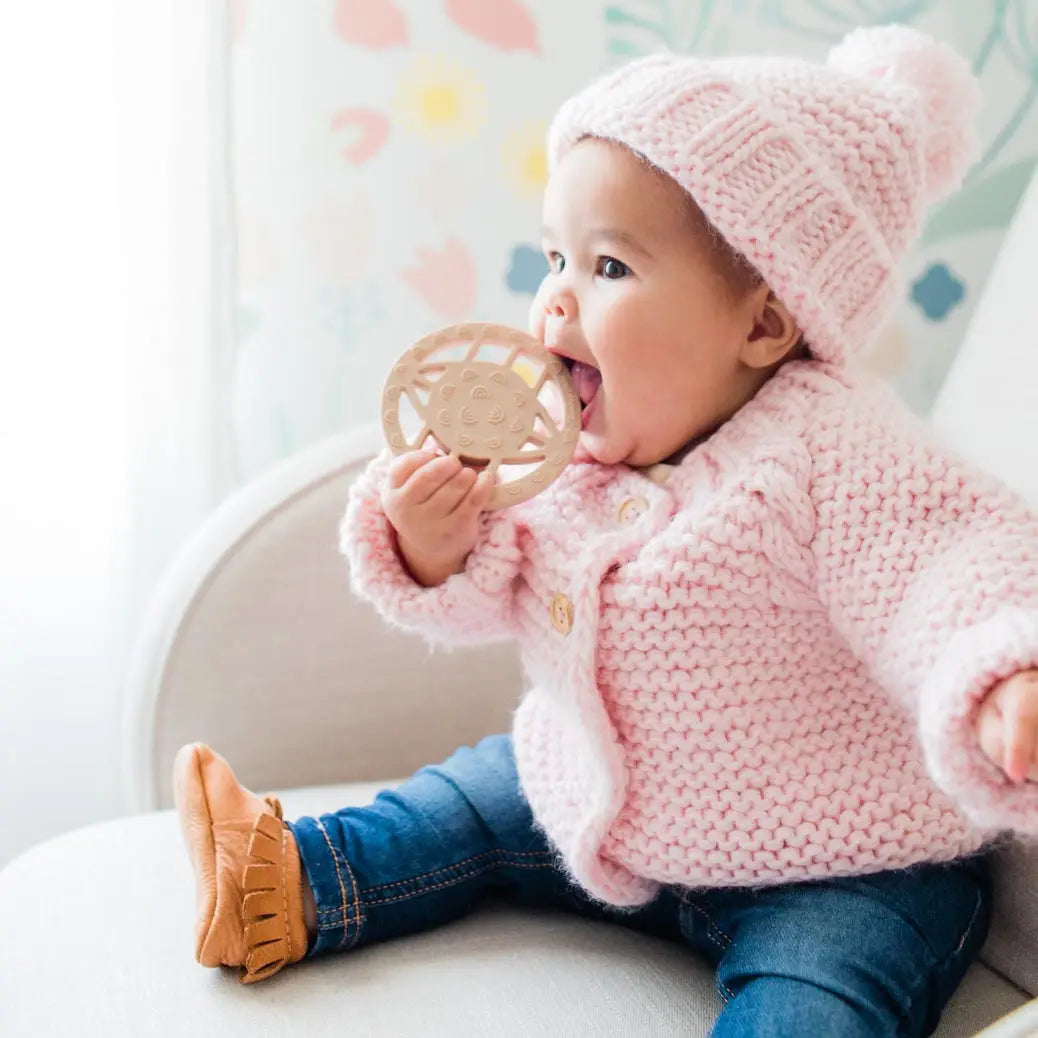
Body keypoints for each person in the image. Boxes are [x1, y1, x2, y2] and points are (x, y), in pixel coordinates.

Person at [173, 24, 1038, 1036]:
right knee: (466, 798)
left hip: (846, 865)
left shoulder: (832, 451)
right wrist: (435, 538)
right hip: (606, 800)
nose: (552, 298)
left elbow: (945, 562)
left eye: (610, 267)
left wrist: (1000, 675)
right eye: (554, 256)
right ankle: (289, 881)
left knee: (823, 988)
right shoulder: (578, 447)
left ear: (763, 323)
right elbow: (492, 584)